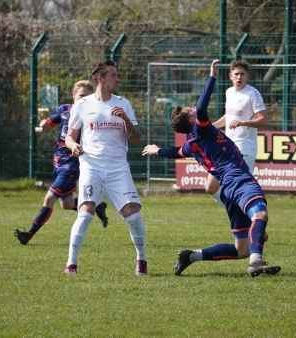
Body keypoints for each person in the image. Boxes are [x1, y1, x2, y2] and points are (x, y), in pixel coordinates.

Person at [142, 60, 280, 277]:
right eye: (190, 111)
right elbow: (202, 105)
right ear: (191, 120)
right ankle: (256, 262)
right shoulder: (202, 128)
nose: (193, 109)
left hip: (226, 188)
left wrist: (157, 150)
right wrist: (212, 76)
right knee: (260, 214)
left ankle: (191, 256)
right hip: (236, 177)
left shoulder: (190, 145)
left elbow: (174, 152)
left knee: (241, 248)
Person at [63, 60, 148, 275]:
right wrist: (73, 146)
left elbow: (136, 139)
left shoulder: (124, 103)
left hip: (118, 168)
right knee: (85, 212)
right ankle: (71, 265)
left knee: (134, 215)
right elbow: (70, 136)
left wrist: (126, 119)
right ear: (100, 79)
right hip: (91, 166)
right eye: (113, 75)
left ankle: (142, 260)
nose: (118, 79)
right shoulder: (83, 105)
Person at [14, 80, 109, 245]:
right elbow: (50, 123)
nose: (84, 100)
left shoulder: (93, 116)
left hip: (72, 164)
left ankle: (28, 234)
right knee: (67, 204)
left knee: (49, 199)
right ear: (74, 95)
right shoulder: (64, 109)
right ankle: (98, 206)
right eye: (81, 96)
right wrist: (45, 124)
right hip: (58, 161)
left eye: (88, 97)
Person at [206, 60, 269, 206]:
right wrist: (212, 127)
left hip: (244, 148)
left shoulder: (252, 94)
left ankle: (250, 217)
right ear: (230, 76)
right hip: (226, 148)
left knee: (239, 189)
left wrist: (243, 122)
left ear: (248, 76)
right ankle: (242, 215)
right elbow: (230, 116)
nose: (239, 77)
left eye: (242, 74)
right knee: (211, 187)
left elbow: (264, 121)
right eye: (236, 74)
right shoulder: (229, 92)